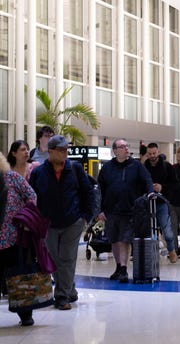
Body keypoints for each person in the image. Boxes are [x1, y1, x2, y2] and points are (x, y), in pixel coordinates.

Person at [29, 135, 98, 310]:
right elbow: (33, 199)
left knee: (67, 259)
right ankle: (70, 290)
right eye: (61, 150)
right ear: (50, 152)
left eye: (66, 149)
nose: (65, 152)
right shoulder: (38, 173)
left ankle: (61, 296)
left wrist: (86, 217)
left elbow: (88, 193)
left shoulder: (75, 169)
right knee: (53, 259)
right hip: (49, 223)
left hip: (73, 221)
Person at [97, 138, 154, 282]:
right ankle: (118, 266)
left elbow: (147, 180)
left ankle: (123, 268)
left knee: (124, 240)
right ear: (115, 151)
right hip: (111, 210)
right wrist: (99, 210)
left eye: (127, 146)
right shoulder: (107, 168)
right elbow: (100, 189)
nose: (127, 149)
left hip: (130, 209)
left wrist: (150, 193)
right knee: (114, 240)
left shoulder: (136, 166)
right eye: (123, 147)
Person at [0, 152, 38, 326]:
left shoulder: (12, 177)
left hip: (12, 236)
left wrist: (26, 218)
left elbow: (32, 195)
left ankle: (25, 314)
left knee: (18, 275)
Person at [143, 142, 178, 263]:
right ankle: (150, 254)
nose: (152, 156)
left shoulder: (167, 167)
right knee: (147, 232)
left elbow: (174, 184)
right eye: (150, 154)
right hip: (147, 204)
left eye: (154, 153)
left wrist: (162, 188)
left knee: (167, 231)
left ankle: (172, 250)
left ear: (158, 152)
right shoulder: (143, 168)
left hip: (162, 203)